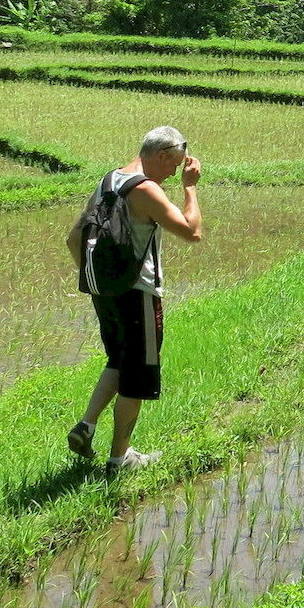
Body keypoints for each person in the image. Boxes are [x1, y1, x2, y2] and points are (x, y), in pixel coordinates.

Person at [66, 125, 202, 473]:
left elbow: (74, 238)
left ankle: (86, 426)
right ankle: (118, 459)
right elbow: (192, 232)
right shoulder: (147, 191)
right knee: (137, 377)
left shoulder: (108, 180)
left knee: (118, 358)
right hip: (138, 293)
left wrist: (101, 281)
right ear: (160, 156)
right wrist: (190, 189)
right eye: (173, 166)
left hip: (102, 290)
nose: (174, 173)